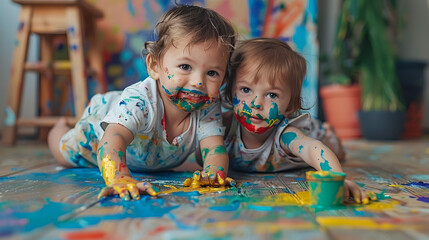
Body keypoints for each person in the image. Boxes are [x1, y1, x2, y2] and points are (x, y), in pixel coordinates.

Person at [48, 5, 236, 201]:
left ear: (223, 81)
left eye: (212, 73)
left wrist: (213, 173)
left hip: (148, 158)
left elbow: (214, 148)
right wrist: (119, 177)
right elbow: (114, 138)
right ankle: (58, 128)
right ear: (154, 66)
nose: (199, 82)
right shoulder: (140, 101)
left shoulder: (207, 105)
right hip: (99, 130)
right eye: (185, 66)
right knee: (65, 155)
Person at [220, 37, 369, 204]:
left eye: (272, 95)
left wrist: (337, 179)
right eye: (245, 89)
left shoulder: (285, 135)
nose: (256, 104)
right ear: (230, 91)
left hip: (312, 133)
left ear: (290, 105)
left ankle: (329, 133)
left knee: (335, 151)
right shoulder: (222, 126)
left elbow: (313, 148)